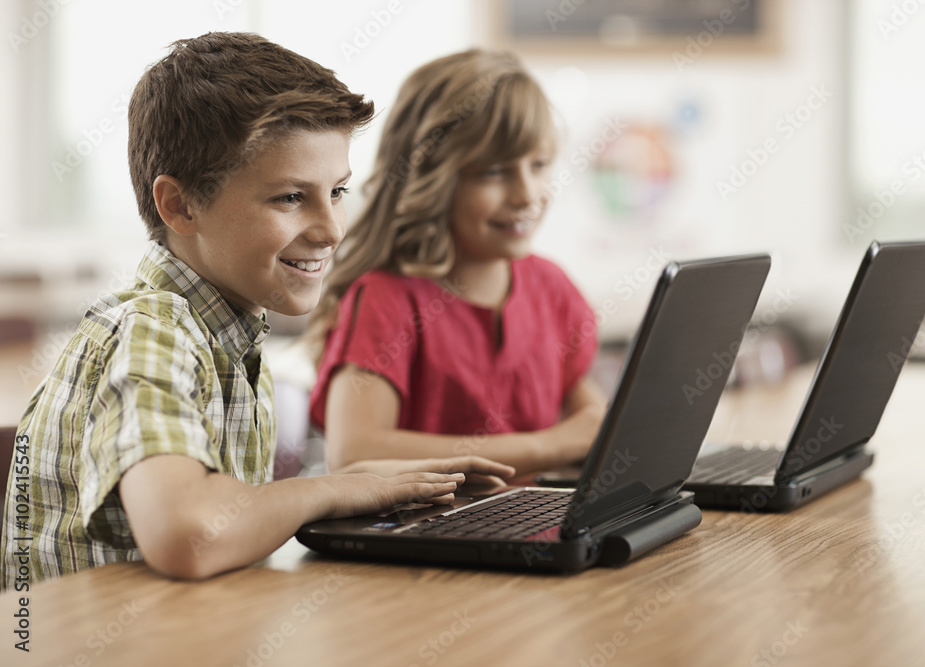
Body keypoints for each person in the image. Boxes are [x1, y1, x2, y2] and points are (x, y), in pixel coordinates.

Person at [0, 32, 514, 589]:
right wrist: (330, 491)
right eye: (290, 197)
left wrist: (359, 480)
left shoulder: (229, 336)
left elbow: (225, 513)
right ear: (180, 205)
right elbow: (189, 534)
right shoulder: (153, 329)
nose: (331, 229)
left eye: (337, 192)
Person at [305, 50, 606, 475]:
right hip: (423, 536)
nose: (527, 194)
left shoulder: (551, 287)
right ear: (432, 178)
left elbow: (591, 426)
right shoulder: (386, 299)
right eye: (494, 172)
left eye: (538, 165)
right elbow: (354, 453)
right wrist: (543, 447)